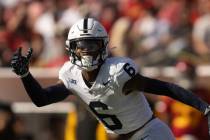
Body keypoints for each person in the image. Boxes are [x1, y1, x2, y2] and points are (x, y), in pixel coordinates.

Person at [11, 18, 210, 140]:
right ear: (72, 49)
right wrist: (25, 75)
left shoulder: (118, 72)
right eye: (82, 46)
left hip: (151, 134)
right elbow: (42, 99)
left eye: (92, 45)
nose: (87, 51)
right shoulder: (70, 75)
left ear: (103, 47)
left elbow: (165, 88)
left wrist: (205, 108)